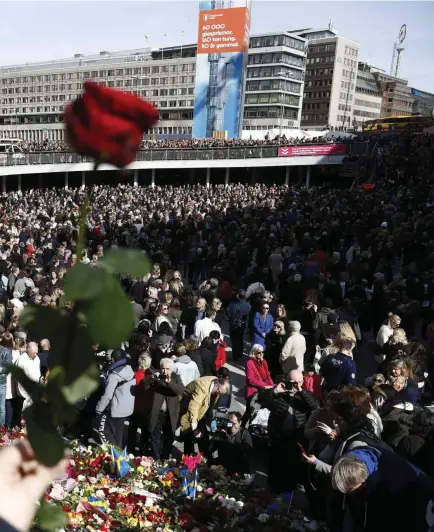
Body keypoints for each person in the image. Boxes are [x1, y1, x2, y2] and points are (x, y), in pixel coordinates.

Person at [331, 447, 434, 532]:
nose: (349, 494)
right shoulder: (357, 458)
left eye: (351, 489)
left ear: (362, 481)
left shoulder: (390, 481)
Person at [260, 369, 319, 492]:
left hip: (296, 437)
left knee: (292, 465)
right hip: (278, 436)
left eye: (298, 382)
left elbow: (315, 407)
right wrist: (275, 390)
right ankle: (273, 488)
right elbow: (262, 400)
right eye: (292, 382)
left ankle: (289, 490)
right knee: (276, 463)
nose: (295, 385)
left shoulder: (305, 395)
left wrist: (301, 391)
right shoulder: (280, 393)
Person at [143, 358, 184, 460]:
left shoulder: (176, 377)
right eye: (163, 368)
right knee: (154, 437)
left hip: (170, 414)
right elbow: (144, 385)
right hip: (157, 413)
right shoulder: (157, 378)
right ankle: (156, 458)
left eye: (167, 369)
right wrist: (151, 377)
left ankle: (165, 458)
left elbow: (179, 390)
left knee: (168, 438)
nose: (165, 371)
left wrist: (169, 382)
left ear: (172, 369)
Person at [179, 376, 230, 456]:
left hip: (200, 413)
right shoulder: (202, 387)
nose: (218, 395)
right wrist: (194, 428)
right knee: (189, 436)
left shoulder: (216, 384)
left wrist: (213, 422)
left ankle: (206, 459)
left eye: (220, 394)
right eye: (219, 392)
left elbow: (211, 406)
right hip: (188, 411)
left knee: (203, 438)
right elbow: (193, 406)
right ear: (217, 385)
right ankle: (188, 460)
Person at [95, 349, 135, 448]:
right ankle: (119, 458)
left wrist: (99, 409)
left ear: (112, 360)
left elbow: (107, 395)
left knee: (103, 432)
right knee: (118, 436)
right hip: (126, 409)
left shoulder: (114, 375)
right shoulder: (129, 369)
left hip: (115, 410)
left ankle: (113, 455)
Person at [127, 354, 152, 455]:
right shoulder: (150, 376)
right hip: (146, 407)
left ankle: (130, 449)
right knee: (145, 431)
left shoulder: (133, 374)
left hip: (134, 406)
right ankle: (143, 451)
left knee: (132, 429)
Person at [245, 343, 273, 408]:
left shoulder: (263, 361)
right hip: (254, 390)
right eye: (259, 352)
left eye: (262, 352)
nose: (261, 354)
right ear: (254, 353)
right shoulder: (249, 363)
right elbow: (250, 379)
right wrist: (264, 385)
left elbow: (267, 375)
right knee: (251, 410)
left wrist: (272, 386)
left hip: (264, 389)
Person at [15, 342, 40, 414]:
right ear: (28, 351)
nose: (35, 355)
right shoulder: (21, 361)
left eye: (36, 353)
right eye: (34, 353)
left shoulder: (36, 358)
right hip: (24, 395)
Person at [227, 290, 251, 361]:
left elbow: (229, 313)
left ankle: (236, 355)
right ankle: (240, 353)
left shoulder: (234, 304)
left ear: (237, 296)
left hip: (234, 325)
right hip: (242, 324)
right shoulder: (248, 305)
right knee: (240, 338)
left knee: (234, 340)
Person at [0, 335, 13, 427]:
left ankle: (1, 429)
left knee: (1, 407)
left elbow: (8, 367)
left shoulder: (6, 351)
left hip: (1, 382)